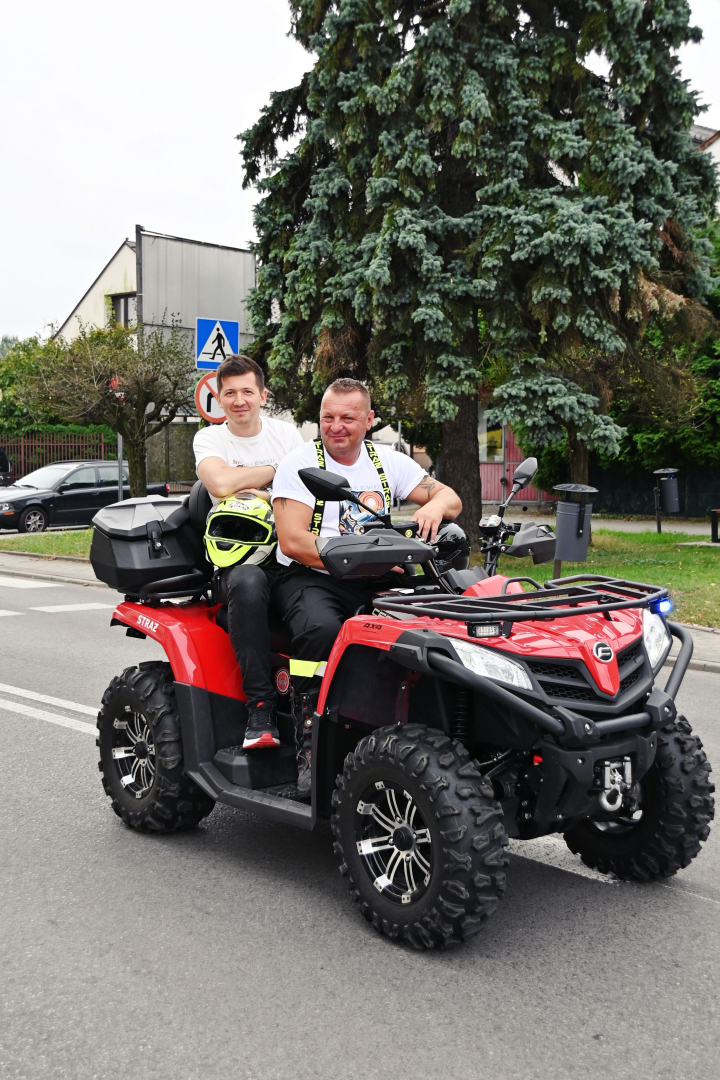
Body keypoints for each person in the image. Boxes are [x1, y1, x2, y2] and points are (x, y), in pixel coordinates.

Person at [272, 377, 462, 792]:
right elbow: (293, 541)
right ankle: (309, 744)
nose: (335, 426)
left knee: (430, 625)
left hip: (378, 578)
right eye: (327, 417)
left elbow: (451, 498)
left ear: (370, 419)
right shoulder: (299, 464)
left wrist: (433, 506)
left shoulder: (388, 461)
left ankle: (420, 728)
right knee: (321, 630)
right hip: (312, 577)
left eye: (348, 418)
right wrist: (363, 557)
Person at [193, 354, 303, 750]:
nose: (239, 401)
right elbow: (220, 485)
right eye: (230, 393)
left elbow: (306, 487)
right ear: (219, 399)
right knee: (248, 583)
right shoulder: (209, 439)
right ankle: (261, 708)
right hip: (236, 560)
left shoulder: (286, 434)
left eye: (247, 392)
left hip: (290, 552)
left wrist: (255, 484)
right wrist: (277, 472)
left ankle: (313, 707)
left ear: (262, 395)